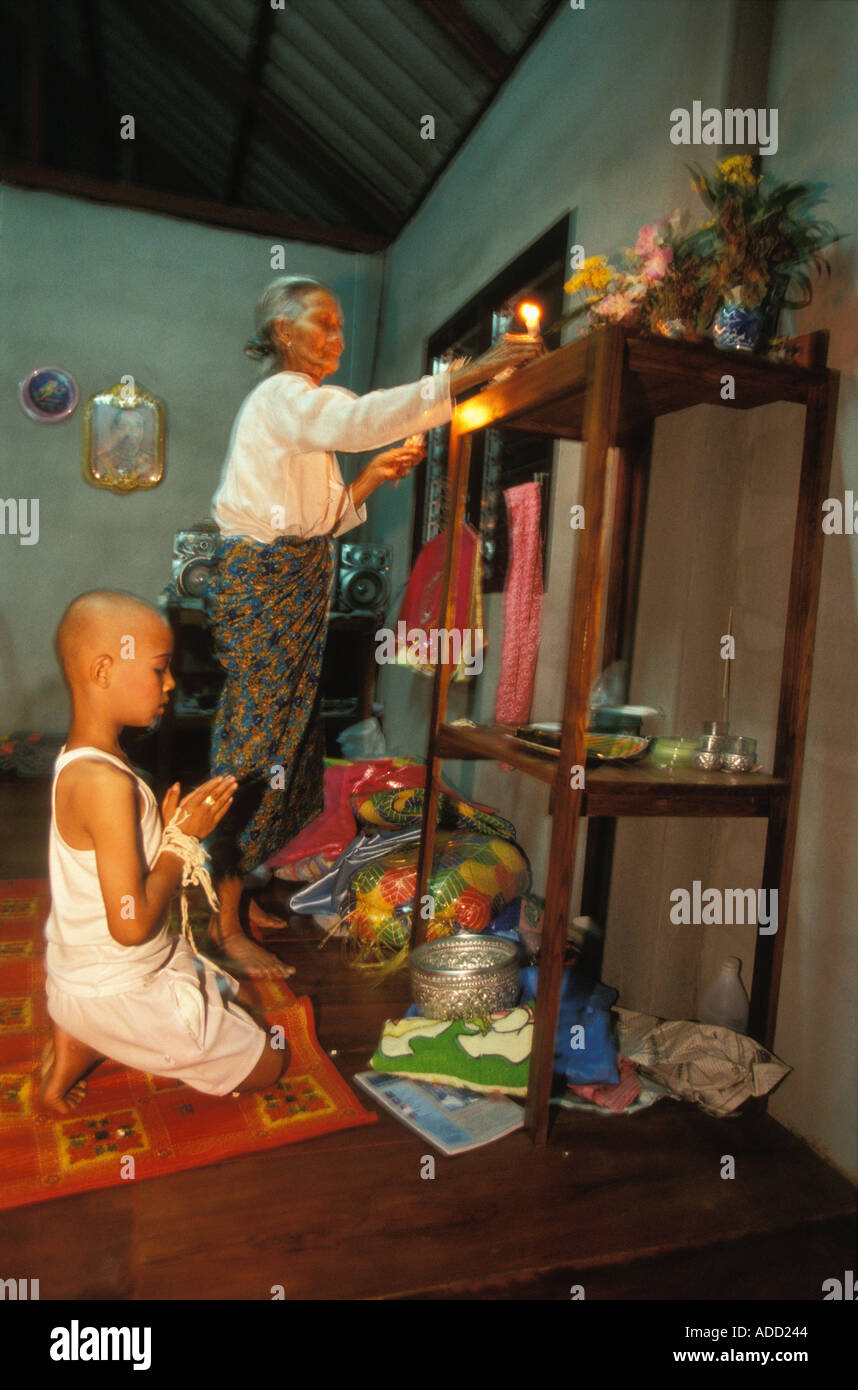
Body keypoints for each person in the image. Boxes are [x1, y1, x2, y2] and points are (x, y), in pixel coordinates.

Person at [206, 274, 542, 978]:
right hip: (265, 583)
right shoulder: (283, 396)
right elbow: (358, 420)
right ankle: (223, 922)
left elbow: (319, 518)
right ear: (280, 333)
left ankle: (251, 891)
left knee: (291, 743)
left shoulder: (294, 414)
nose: (338, 337)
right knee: (257, 738)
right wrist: (464, 375)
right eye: (322, 324)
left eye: (339, 325)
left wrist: (372, 479)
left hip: (293, 579)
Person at [40, 590, 284, 1114]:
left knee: (243, 999)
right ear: (103, 671)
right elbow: (129, 926)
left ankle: (76, 1031)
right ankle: (88, 1035)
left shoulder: (85, 761)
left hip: (86, 973)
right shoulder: (106, 785)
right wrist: (182, 842)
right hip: (115, 985)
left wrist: (167, 831)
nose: (170, 683)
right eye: (159, 668)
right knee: (270, 1061)